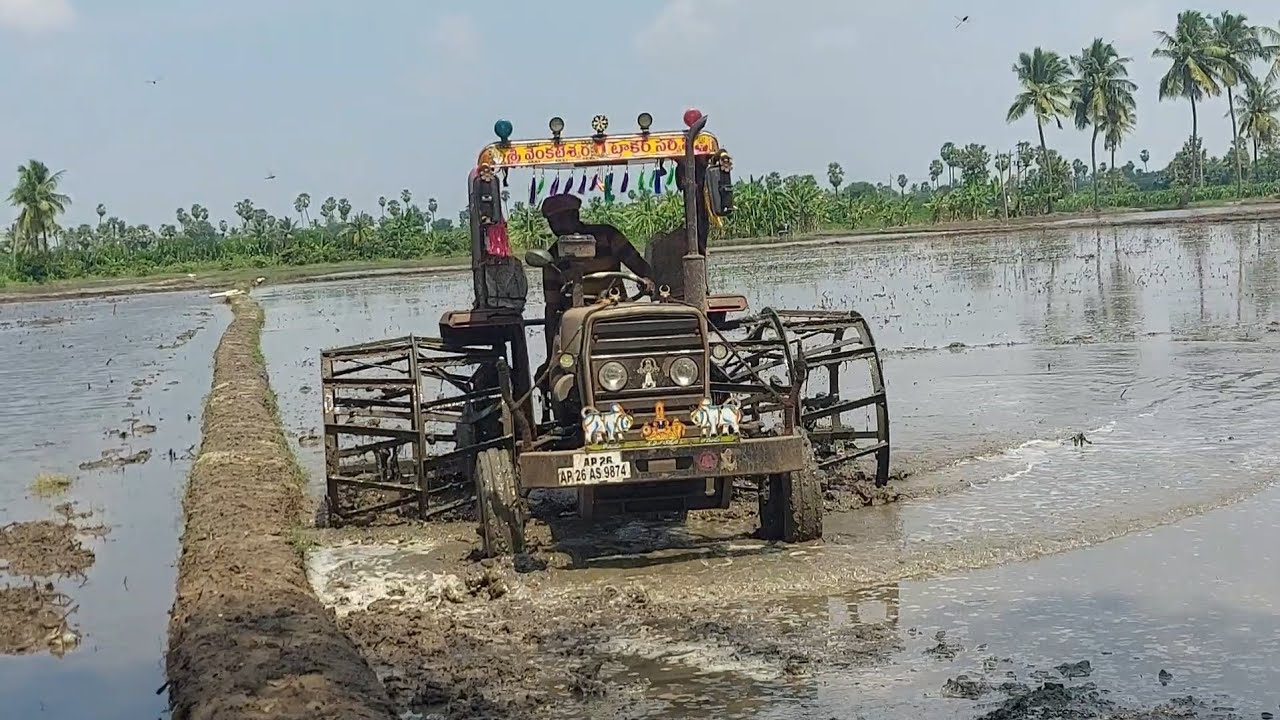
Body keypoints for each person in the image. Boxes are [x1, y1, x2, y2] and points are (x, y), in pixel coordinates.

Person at [539, 194, 654, 353]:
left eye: (561, 219)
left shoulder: (607, 236)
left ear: (575, 216)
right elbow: (552, 307)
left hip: (617, 310)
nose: (556, 226)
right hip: (579, 323)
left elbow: (639, 266)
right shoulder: (551, 258)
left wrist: (648, 281)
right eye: (552, 222)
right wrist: (550, 354)